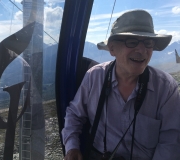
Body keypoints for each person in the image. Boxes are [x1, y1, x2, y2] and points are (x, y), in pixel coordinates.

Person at [62, 9, 180, 160]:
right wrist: (72, 147)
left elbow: (171, 139)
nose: (142, 50)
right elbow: (74, 114)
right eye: (132, 42)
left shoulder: (165, 87)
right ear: (112, 49)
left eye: (148, 43)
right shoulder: (94, 77)